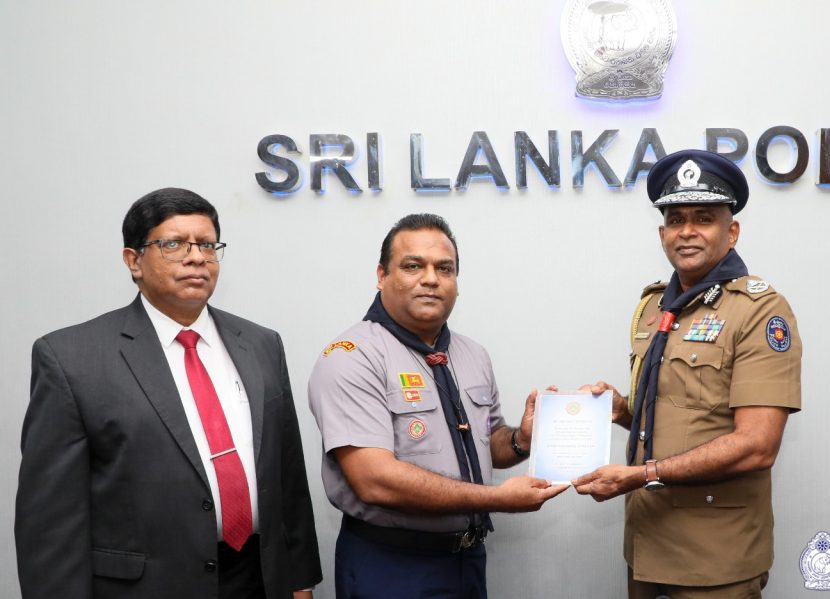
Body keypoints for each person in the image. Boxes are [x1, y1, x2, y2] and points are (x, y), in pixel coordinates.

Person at [15, 188, 323, 599]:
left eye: (207, 245)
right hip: (146, 586)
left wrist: (300, 581)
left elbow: (287, 479)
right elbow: (50, 520)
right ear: (133, 260)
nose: (196, 257)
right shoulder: (71, 358)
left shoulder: (261, 344)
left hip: (258, 578)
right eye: (174, 244)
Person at [572, 150, 802, 599]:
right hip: (646, 546)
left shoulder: (759, 311)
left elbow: (758, 445)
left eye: (704, 218)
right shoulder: (654, 305)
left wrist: (642, 474)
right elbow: (678, 415)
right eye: (676, 220)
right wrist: (621, 410)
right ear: (662, 234)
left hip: (713, 558)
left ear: (731, 232)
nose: (687, 231)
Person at [308, 213, 567, 599]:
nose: (431, 279)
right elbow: (374, 480)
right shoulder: (352, 357)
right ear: (381, 275)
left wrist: (521, 440)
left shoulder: (473, 354)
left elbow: (486, 444)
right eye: (413, 266)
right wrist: (497, 498)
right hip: (390, 565)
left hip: (467, 562)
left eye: (444, 268)